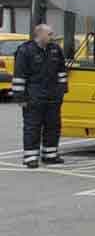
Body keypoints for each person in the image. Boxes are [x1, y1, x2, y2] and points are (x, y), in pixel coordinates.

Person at [11, 24, 67, 168]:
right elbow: (19, 76)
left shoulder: (55, 49)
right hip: (33, 97)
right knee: (32, 127)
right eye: (49, 34)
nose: (52, 36)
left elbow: (62, 71)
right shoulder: (25, 50)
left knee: (53, 126)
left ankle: (50, 155)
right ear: (39, 34)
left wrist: (62, 90)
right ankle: (30, 157)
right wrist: (20, 98)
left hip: (53, 97)